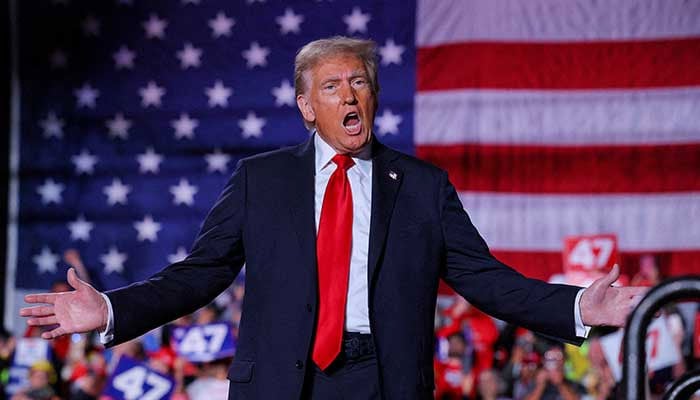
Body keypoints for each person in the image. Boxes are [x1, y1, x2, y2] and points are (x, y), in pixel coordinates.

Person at [20, 36, 645, 400]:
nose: (349, 95)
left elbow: (483, 279)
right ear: (305, 107)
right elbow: (200, 273)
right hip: (280, 383)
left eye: (359, 83)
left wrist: (575, 309)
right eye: (332, 86)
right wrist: (111, 310)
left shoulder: (423, 187)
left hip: (383, 380)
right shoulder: (260, 180)